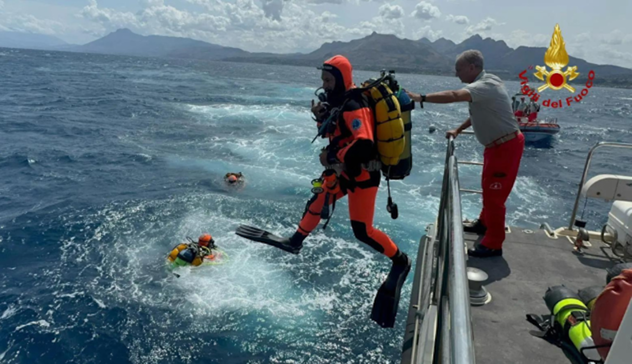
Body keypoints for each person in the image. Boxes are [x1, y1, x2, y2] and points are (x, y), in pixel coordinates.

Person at [236, 55, 411, 328]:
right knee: (319, 197)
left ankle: (400, 261)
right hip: (342, 171)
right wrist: (320, 119)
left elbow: (363, 144)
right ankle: (295, 241)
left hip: (362, 174)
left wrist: (332, 155)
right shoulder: (339, 102)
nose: (325, 85)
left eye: (329, 80)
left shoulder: (354, 104)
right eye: (323, 80)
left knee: (362, 231)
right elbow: (335, 131)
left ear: (341, 79)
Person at [407, 49, 525, 258]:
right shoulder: (487, 83)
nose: (456, 74)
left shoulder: (485, 86)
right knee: (488, 190)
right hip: (496, 146)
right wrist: (459, 130)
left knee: (495, 197)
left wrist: (420, 97)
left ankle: (493, 244)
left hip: (505, 148)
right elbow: (481, 113)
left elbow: (453, 95)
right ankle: (484, 224)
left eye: (458, 69)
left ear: (472, 68)